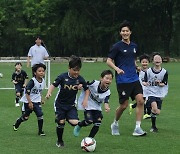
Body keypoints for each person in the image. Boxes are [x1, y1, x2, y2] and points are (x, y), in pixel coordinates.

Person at [106, 20, 146, 136]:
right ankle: (115, 123)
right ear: (120, 33)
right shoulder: (117, 46)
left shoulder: (134, 46)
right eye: (123, 31)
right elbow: (108, 61)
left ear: (130, 32)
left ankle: (137, 128)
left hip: (134, 78)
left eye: (127, 31)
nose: (125, 33)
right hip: (123, 80)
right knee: (124, 105)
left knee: (140, 101)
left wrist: (136, 67)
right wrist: (117, 69)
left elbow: (132, 59)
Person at [45, 55, 89, 148]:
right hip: (59, 104)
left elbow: (87, 89)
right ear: (69, 68)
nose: (76, 72)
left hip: (71, 105)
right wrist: (49, 93)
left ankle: (68, 118)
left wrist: (85, 99)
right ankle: (60, 141)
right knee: (61, 122)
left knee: (75, 123)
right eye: (74, 70)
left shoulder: (80, 79)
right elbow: (53, 85)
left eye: (78, 70)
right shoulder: (62, 76)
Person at [73, 70, 113, 138]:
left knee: (98, 123)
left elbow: (106, 101)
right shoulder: (94, 83)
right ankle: (79, 125)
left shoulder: (108, 92)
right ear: (101, 78)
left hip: (97, 107)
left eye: (110, 79)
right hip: (88, 105)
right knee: (89, 121)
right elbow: (85, 84)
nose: (108, 80)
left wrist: (107, 107)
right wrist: (80, 85)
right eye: (107, 78)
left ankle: (90, 139)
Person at [13, 63, 46, 136]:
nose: (41, 72)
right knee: (25, 117)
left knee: (40, 115)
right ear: (35, 72)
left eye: (43, 71)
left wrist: (41, 99)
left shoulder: (43, 81)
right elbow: (27, 93)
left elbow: (39, 91)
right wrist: (30, 103)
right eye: (39, 71)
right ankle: (18, 122)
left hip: (37, 102)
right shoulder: (32, 81)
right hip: (28, 101)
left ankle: (40, 131)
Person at [142, 53, 168, 132]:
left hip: (159, 93)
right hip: (150, 92)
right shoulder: (149, 71)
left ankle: (148, 107)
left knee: (157, 112)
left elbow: (165, 83)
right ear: (153, 61)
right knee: (155, 108)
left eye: (159, 59)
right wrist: (145, 83)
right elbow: (144, 81)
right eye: (155, 59)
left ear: (161, 61)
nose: (157, 60)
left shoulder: (164, 72)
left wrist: (159, 83)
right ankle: (153, 127)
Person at [129, 54, 151, 119]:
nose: (144, 63)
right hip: (140, 88)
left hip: (148, 88)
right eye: (143, 62)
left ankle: (133, 106)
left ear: (149, 63)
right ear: (140, 63)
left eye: (146, 62)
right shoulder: (139, 70)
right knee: (145, 100)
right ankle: (146, 114)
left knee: (143, 101)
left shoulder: (150, 70)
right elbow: (134, 65)